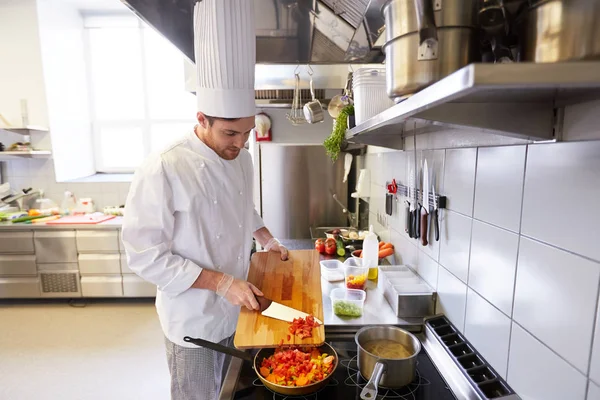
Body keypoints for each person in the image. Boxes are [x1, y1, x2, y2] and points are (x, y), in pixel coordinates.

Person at [122, 2, 287, 399]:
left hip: (235, 308)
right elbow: (144, 255)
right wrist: (221, 282)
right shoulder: (164, 166)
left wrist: (266, 239)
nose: (240, 143)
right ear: (202, 119)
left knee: (226, 391)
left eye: (246, 133)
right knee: (196, 395)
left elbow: (243, 207)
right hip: (192, 317)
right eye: (230, 133)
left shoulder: (241, 158)